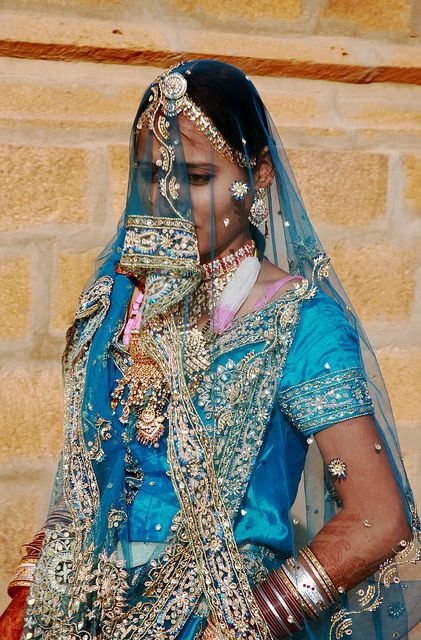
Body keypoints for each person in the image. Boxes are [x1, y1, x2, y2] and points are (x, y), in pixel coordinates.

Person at [1, 59, 420, 640]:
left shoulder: (298, 323)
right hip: (81, 618)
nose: (170, 200)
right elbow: (84, 476)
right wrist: (27, 593)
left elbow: (378, 518)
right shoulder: (119, 298)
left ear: (261, 173)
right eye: (152, 175)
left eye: (197, 178)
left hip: (220, 619)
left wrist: (245, 623)